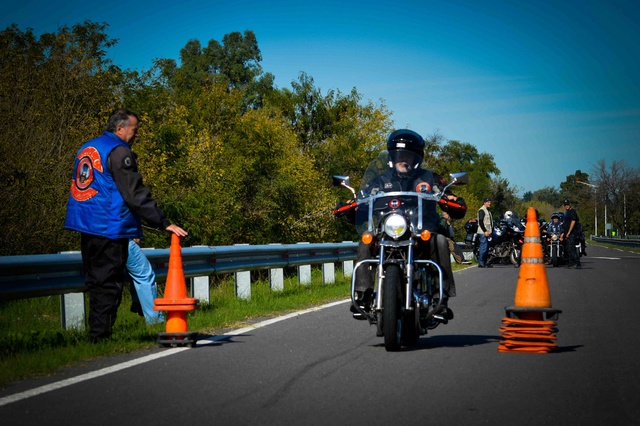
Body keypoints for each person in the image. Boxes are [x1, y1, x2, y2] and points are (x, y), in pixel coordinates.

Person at [65, 108, 187, 343]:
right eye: (134, 130)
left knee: (96, 282)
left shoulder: (88, 147)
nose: (136, 135)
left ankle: (97, 336)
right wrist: (163, 222)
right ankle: (100, 338)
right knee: (109, 284)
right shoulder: (119, 152)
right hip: (109, 227)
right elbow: (134, 193)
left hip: (85, 224)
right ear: (120, 129)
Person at [349, 129, 467, 320]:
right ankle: (363, 295)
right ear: (391, 157)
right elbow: (362, 199)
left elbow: (447, 195)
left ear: (417, 159)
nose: (403, 160)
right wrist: (351, 206)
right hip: (387, 231)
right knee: (365, 240)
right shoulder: (379, 181)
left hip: (421, 231)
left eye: (408, 156)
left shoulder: (430, 178)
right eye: (399, 155)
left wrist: (452, 201)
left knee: (441, 241)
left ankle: (441, 298)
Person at [128, 238, 164, 325]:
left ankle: (138, 303)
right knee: (145, 276)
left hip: (98, 239)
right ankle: (154, 320)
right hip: (122, 239)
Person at [560, 199, 581, 269]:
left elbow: (573, 222)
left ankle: (577, 263)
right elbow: (565, 224)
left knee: (571, 248)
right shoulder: (566, 213)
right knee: (567, 248)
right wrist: (563, 233)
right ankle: (570, 263)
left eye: (567, 205)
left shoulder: (572, 212)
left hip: (572, 233)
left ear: (570, 205)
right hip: (567, 233)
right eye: (565, 205)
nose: (566, 206)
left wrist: (569, 232)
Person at [476, 197, 493, 268]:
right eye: (488, 202)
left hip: (488, 232)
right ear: (484, 203)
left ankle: (485, 262)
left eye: (490, 202)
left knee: (486, 248)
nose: (489, 203)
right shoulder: (482, 210)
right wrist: (485, 231)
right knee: (483, 247)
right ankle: (481, 262)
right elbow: (480, 221)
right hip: (483, 232)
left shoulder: (487, 211)